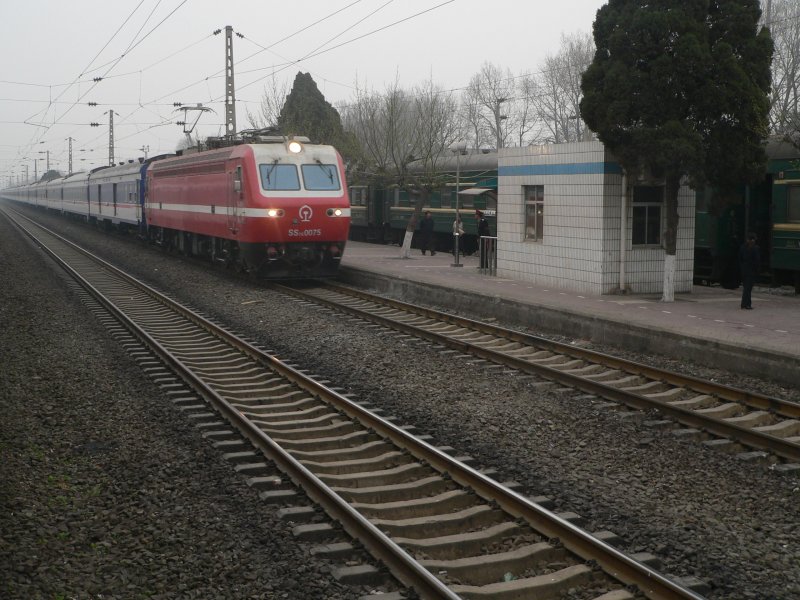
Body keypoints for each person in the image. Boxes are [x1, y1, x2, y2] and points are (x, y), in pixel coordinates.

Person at [738, 233, 760, 309]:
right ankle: (747, 304)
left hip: (744, 270)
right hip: (751, 271)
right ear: (753, 240)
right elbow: (757, 261)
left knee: (745, 288)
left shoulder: (742, 247)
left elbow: (740, 258)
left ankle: (744, 304)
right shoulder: (755, 248)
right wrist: (756, 270)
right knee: (748, 288)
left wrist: (742, 267)